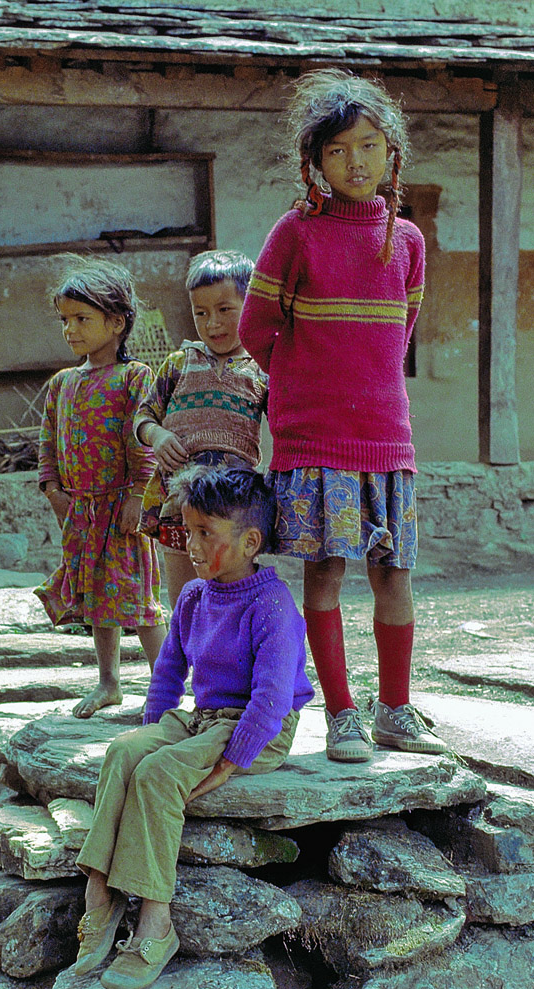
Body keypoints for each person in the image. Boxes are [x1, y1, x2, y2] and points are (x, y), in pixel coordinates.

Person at [238, 68, 447, 764]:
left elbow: (400, 331)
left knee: (393, 575)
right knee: (323, 572)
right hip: (313, 437)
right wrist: (302, 387)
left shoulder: (407, 240)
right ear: (314, 163)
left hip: (386, 437)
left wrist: (362, 385)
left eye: (366, 145)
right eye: (336, 151)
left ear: (391, 152)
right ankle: (342, 715)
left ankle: (393, 708)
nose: (353, 162)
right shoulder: (296, 232)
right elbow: (255, 329)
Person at [72, 467, 314, 989]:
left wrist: (231, 761)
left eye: (206, 533)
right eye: (188, 531)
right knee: (124, 752)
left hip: (258, 725)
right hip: (205, 718)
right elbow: (168, 674)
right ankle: (101, 893)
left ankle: (157, 925)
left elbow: (272, 697)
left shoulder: (271, 604)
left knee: (160, 775)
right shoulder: (194, 597)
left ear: (250, 541)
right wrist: (152, 733)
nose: (192, 544)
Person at [35, 256, 167, 719]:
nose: (70, 329)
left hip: (122, 508)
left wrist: (137, 496)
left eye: (82, 319)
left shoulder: (135, 378)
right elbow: (48, 443)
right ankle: (109, 684)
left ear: (117, 322)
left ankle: (165, 686)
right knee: (96, 599)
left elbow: (142, 440)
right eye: (65, 320)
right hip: (82, 511)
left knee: (138, 599)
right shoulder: (61, 385)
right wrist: (53, 491)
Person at [134, 249, 268, 608]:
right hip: (178, 502)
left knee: (231, 592)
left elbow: (287, 424)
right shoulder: (179, 363)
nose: (212, 324)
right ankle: (187, 663)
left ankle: (227, 662)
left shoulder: (261, 369)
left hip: (231, 505)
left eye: (225, 310)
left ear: (250, 303)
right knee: (185, 600)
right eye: (201, 312)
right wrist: (157, 436)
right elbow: (144, 416)